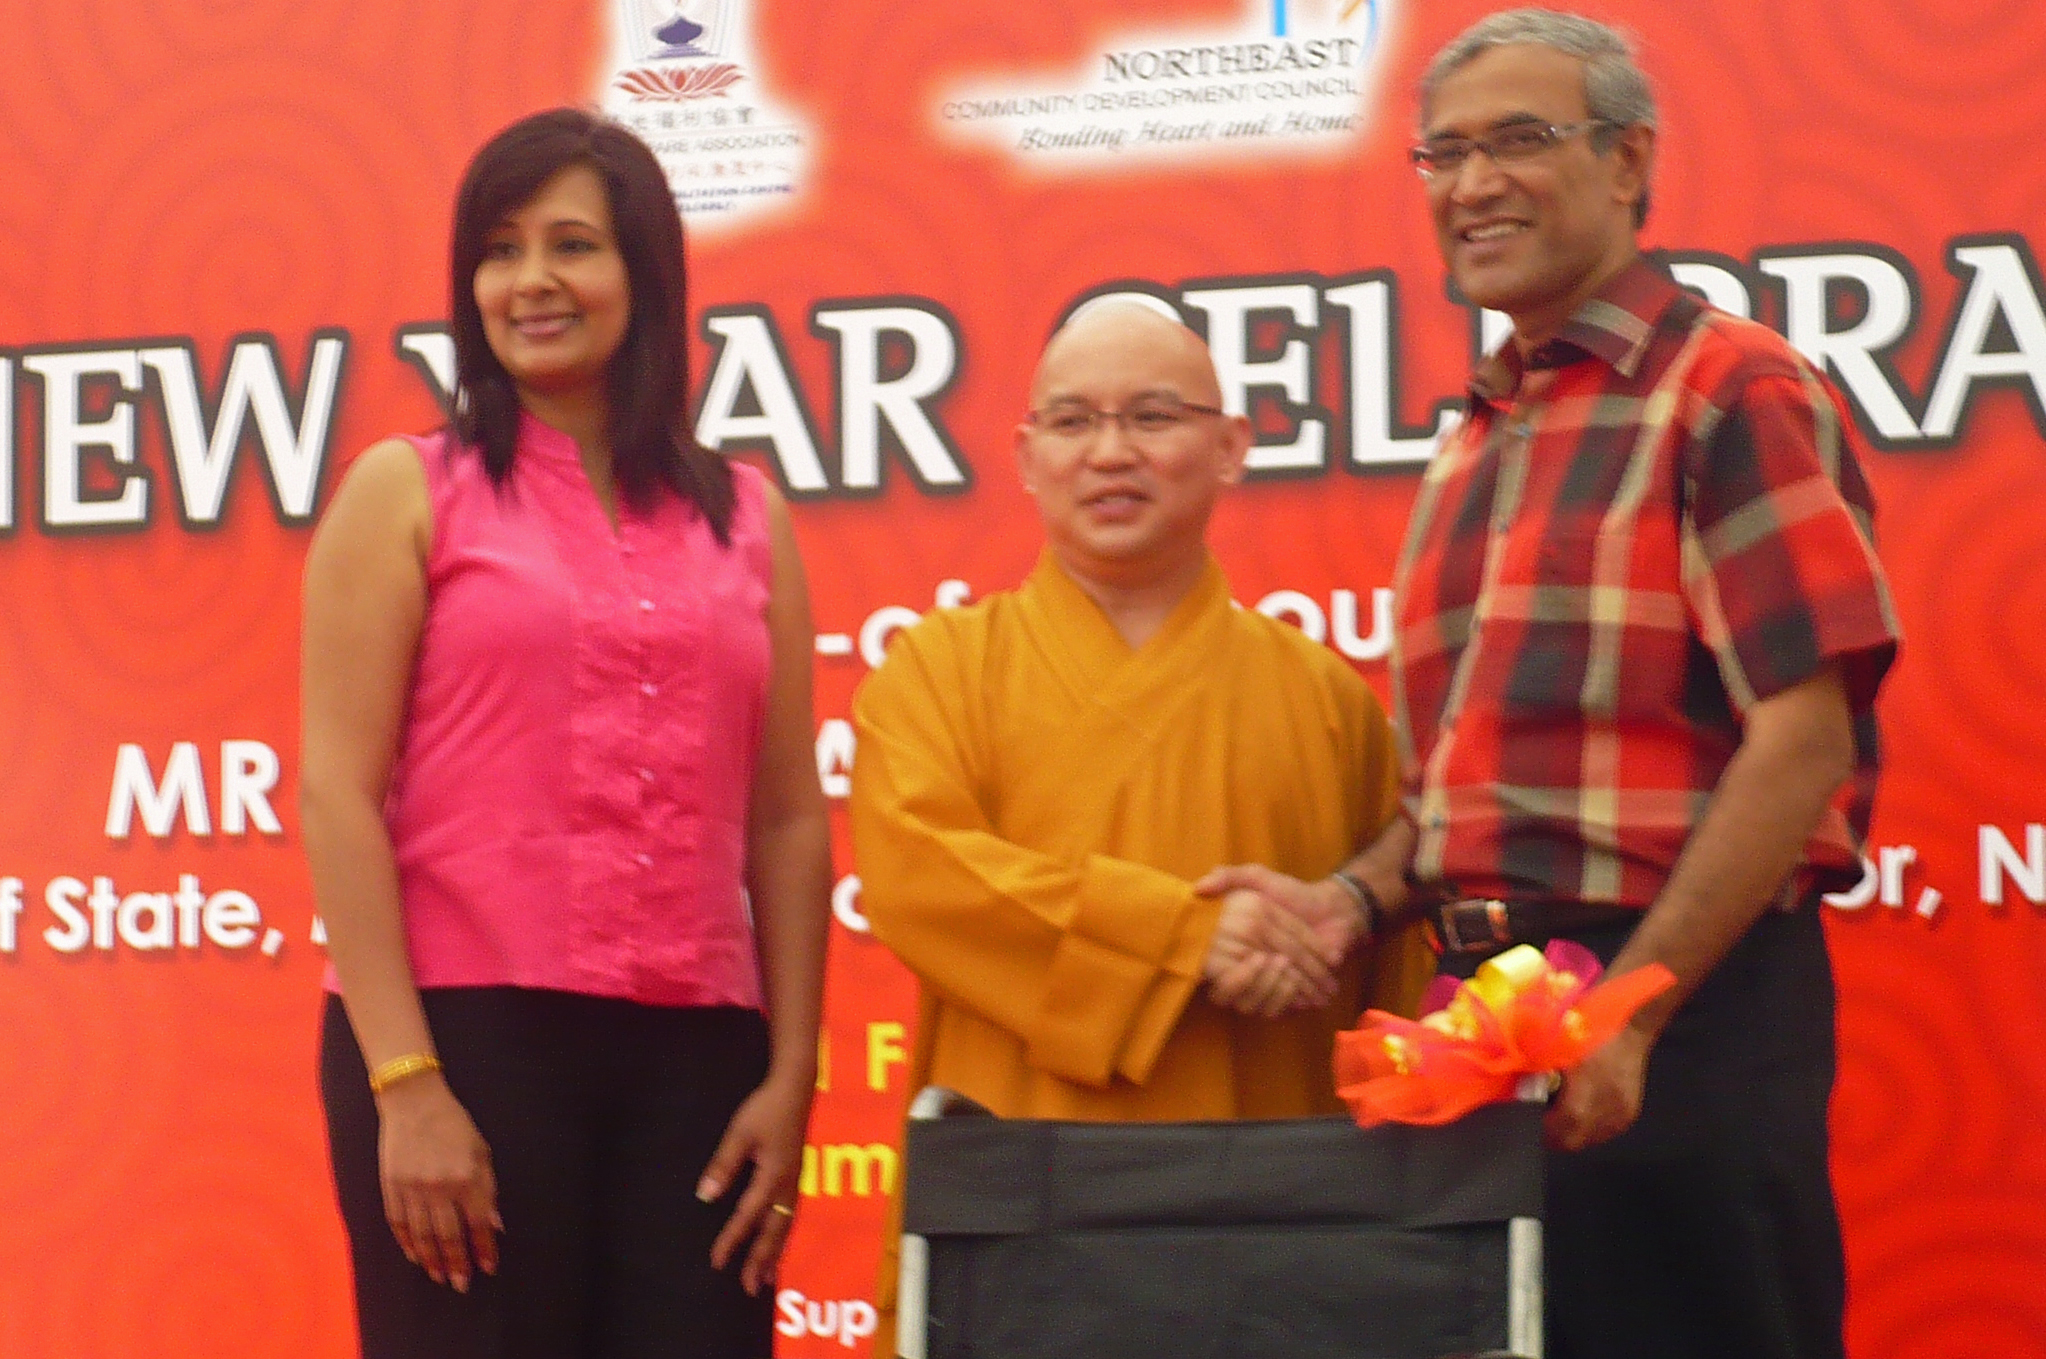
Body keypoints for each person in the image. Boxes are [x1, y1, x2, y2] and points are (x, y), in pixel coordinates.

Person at [1205, 12, 1900, 1358]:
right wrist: (1345, 901)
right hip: (1481, 1015)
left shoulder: (1728, 388)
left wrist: (1627, 1012)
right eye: (1442, 154)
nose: (1472, 185)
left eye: (1518, 140)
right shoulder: (1472, 440)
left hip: (1677, 1018)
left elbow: (1801, 743)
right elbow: (1465, 793)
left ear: (1629, 160)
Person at [300, 108, 831, 1359]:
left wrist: (790, 1074)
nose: (530, 280)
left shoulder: (746, 515)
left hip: (700, 1065)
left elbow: (788, 816)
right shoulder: (408, 490)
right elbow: (335, 793)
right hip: (462, 1045)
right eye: (498, 249)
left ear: (644, 275)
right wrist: (406, 1086)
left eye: (572, 244)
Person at [849, 298, 1433, 1352]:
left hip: (1276, 1238)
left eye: (1153, 417)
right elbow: (920, 881)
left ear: (1230, 448)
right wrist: (1186, 939)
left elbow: (1385, 992)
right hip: (1016, 1222)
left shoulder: (1331, 705)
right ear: (1026, 457)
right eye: (1073, 423)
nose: (1110, 452)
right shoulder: (936, 674)